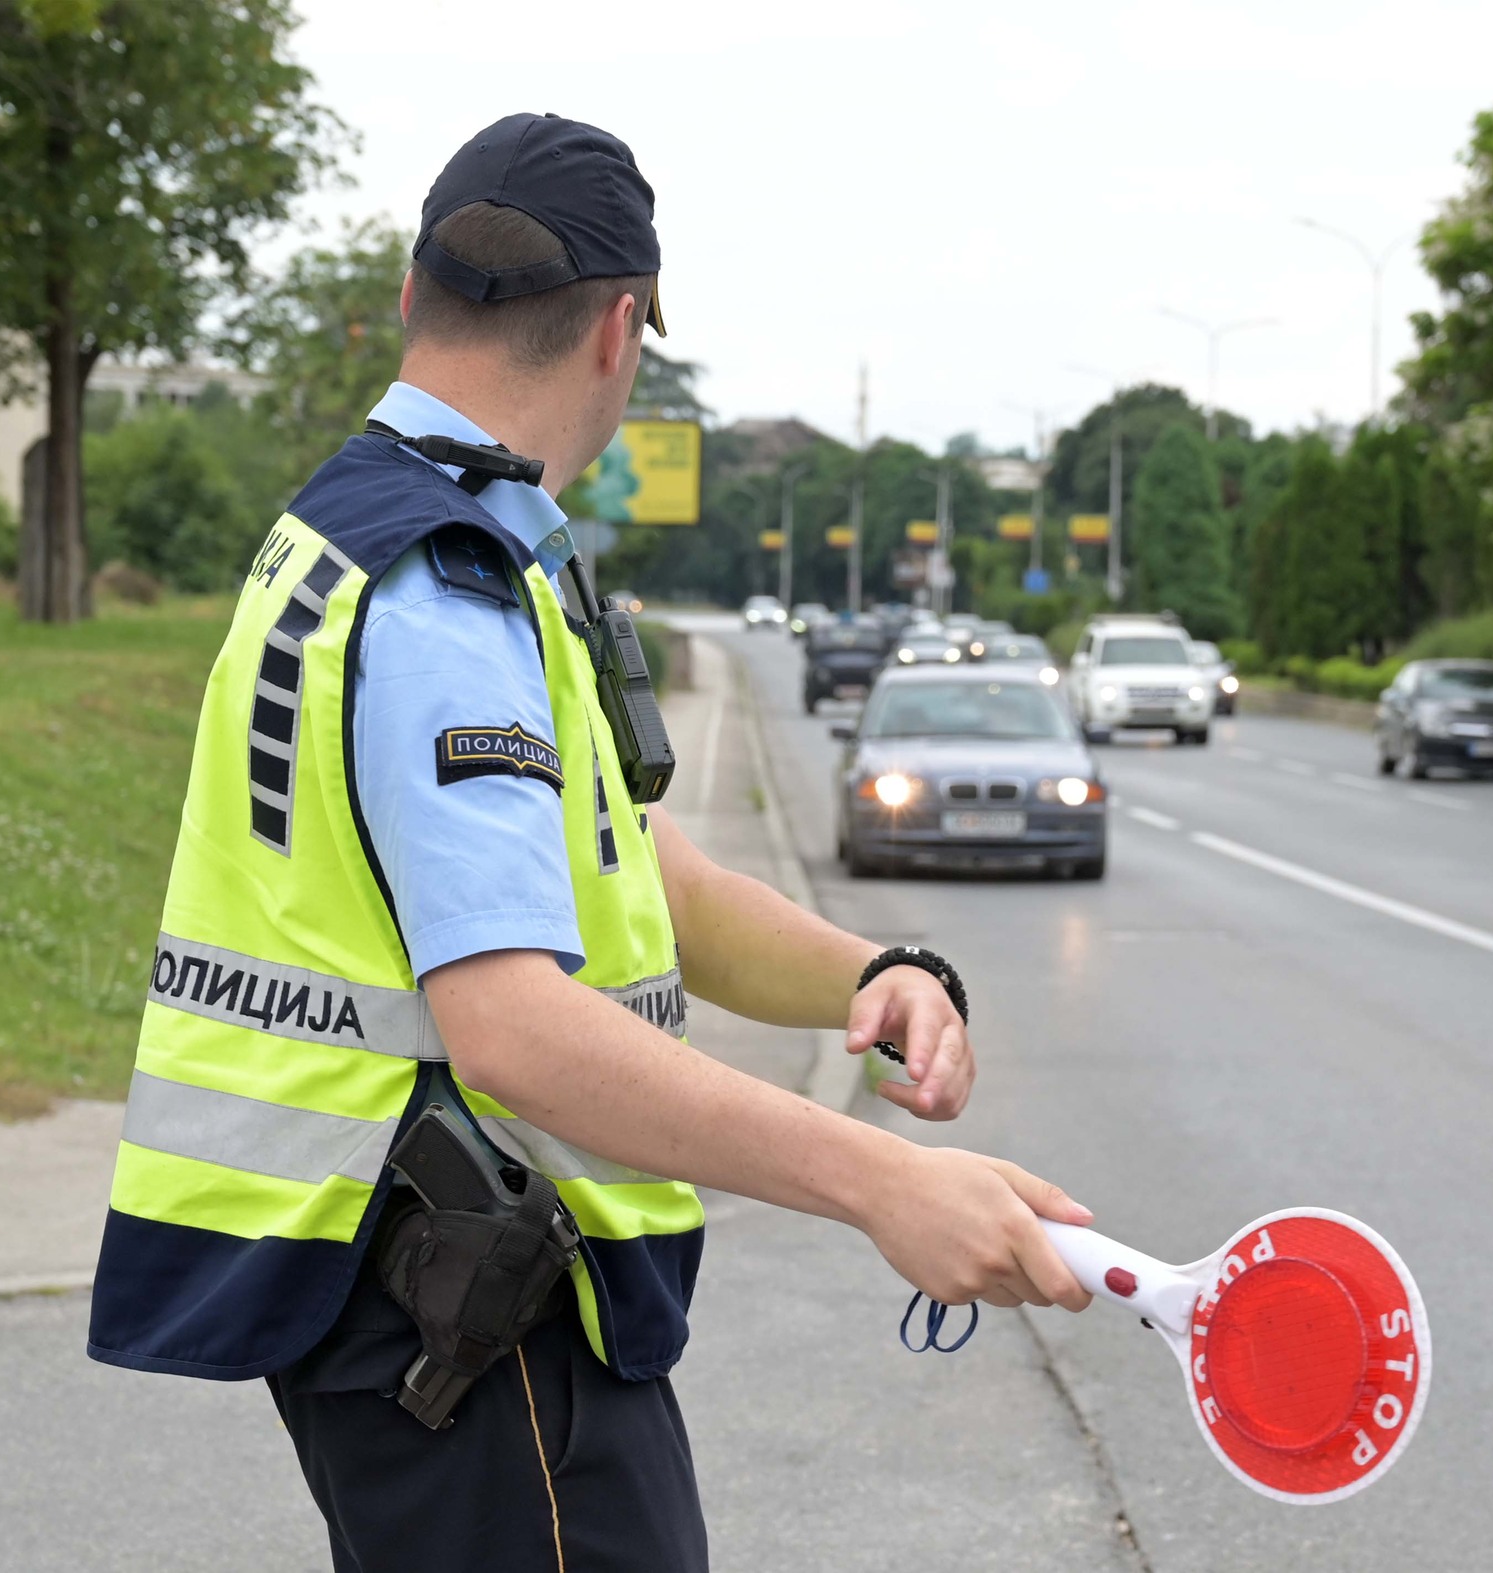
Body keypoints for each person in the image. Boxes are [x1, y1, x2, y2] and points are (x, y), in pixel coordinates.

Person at [86, 112, 1090, 1572]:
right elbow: (513, 1033)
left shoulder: (369, 533)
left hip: (417, 1294)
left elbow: (635, 863)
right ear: (622, 330)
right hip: (471, 1312)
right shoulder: (446, 587)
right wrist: (884, 1180)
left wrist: (870, 967)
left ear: (416, 295)